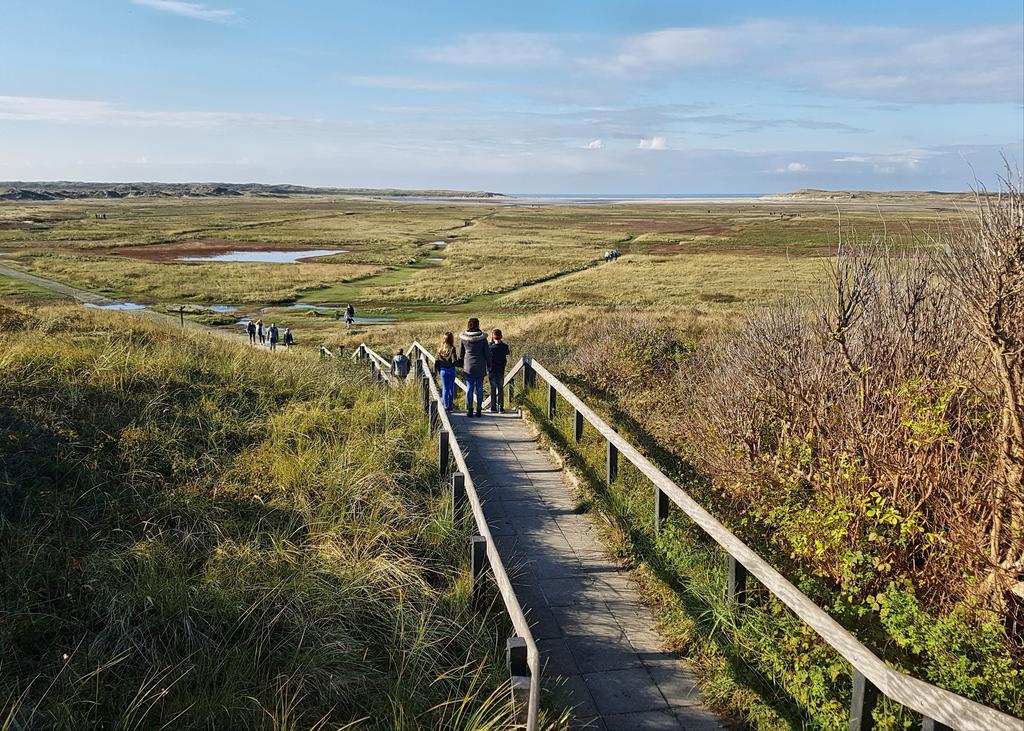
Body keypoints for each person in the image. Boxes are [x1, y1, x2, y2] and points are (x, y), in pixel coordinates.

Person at [458, 317, 491, 418]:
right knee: (479, 388)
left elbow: (460, 354)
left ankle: (470, 409)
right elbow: (487, 354)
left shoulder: (463, 338)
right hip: (480, 365)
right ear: (478, 325)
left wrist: (460, 364)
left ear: (468, 325)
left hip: (468, 366)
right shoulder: (483, 338)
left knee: (469, 388)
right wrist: (489, 365)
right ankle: (479, 410)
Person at [488, 329, 511, 413]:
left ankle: (493, 407)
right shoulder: (505, 346)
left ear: (492, 337)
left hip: (492, 370)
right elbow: (507, 352)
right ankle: (501, 407)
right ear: (501, 336)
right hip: (501, 370)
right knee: (500, 388)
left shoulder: (490, 347)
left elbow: (487, 356)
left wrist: (491, 342)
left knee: (493, 388)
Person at [435, 332, 459, 411]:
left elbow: (436, 362)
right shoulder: (452, 348)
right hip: (451, 370)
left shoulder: (440, 349)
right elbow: (454, 361)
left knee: (445, 388)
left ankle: (445, 406)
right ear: (451, 339)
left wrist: (439, 370)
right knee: (451, 388)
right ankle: (450, 406)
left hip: (443, 370)